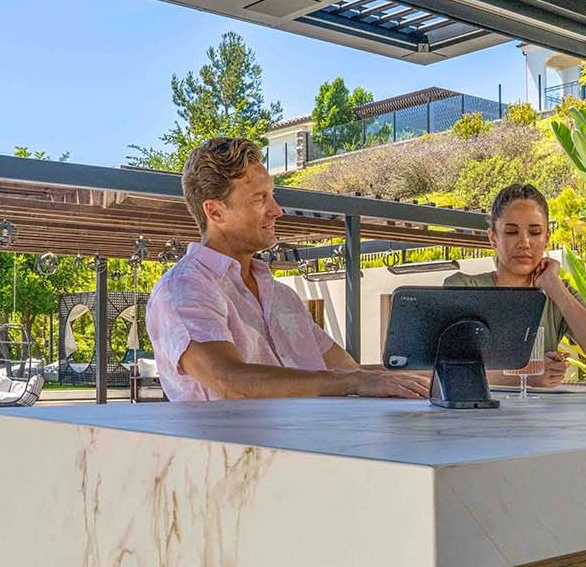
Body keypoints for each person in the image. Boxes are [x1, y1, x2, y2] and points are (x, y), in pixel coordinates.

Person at [146, 137, 429, 401]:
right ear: (215, 212)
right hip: (237, 442)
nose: (277, 210)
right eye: (260, 198)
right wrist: (354, 381)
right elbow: (230, 380)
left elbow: (349, 371)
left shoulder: (282, 297)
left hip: (313, 437)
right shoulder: (183, 290)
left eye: (272, 195)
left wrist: (439, 372)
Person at [443, 183, 586, 387]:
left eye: (535, 232)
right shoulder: (464, 288)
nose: (524, 242)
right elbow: (445, 369)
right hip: (475, 408)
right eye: (511, 232)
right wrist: (525, 374)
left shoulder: (558, 294)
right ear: (493, 238)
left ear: (547, 238)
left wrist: (554, 286)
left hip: (542, 408)